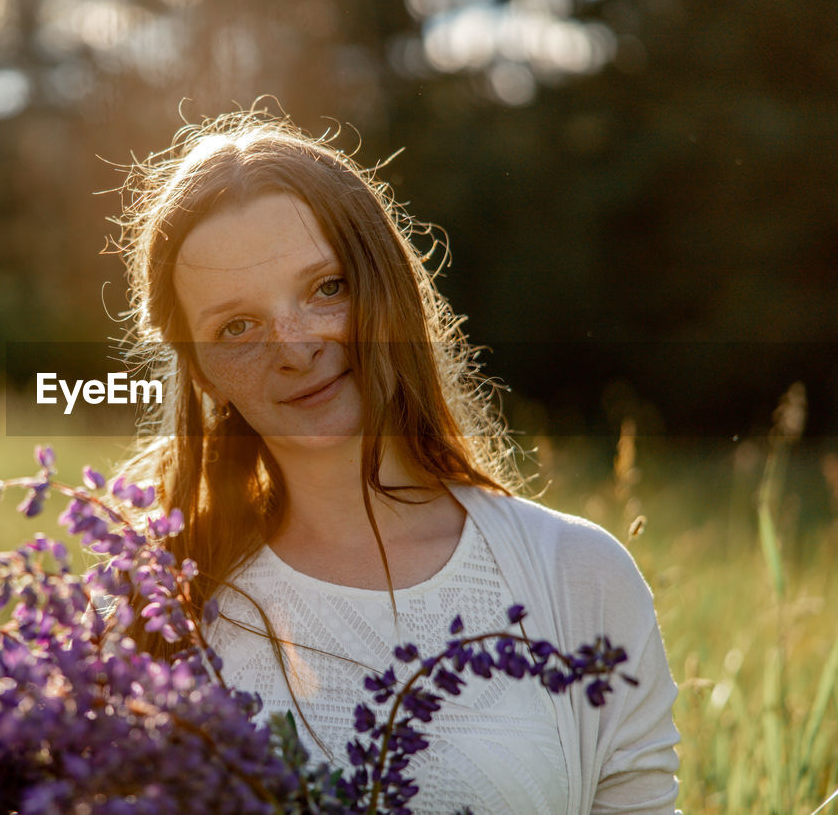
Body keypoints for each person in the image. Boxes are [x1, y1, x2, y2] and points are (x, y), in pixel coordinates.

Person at [111, 109, 680, 814]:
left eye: (327, 287)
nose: (295, 346)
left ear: (389, 284)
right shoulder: (154, 610)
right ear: (201, 372)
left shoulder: (577, 576)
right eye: (237, 327)